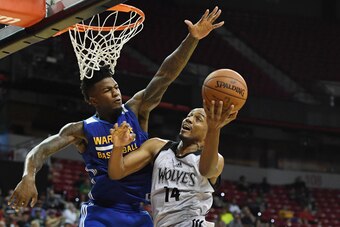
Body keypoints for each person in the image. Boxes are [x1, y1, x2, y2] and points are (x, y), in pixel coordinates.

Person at [8, 6, 225, 227]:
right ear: (93, 100)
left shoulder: (136, 110)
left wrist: (192, 39)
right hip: (100, 212)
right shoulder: (82, 129)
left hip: (137, 213)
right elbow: (41, 149)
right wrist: (29, 175)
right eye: (107, 90)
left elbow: (164, 76)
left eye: (116, 87)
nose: (116, 92)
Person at [108, 100, 237, 227]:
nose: (189, 119)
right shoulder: (157, 147)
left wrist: (215, 128)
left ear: (208, 131)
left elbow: (207, 170)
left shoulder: (215, 160)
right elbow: (116, 172)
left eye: (198, 119)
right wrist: (118, 146)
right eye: (189, 115)